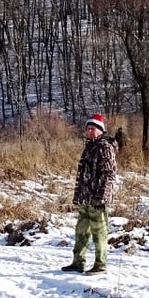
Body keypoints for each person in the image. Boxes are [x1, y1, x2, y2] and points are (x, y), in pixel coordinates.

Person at [62, 113, 119, 275]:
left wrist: (102, 197)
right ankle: (78, 263)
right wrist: (78, 196)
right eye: (88, 129)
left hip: (98, 199)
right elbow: (83, 176)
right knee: (81, 231)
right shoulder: (89, 147)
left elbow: (109, 175)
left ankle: (100, 265)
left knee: (99, 232)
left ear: (100, 130)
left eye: (93, 128)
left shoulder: (105, 147)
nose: (90, 131)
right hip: (85, 199)